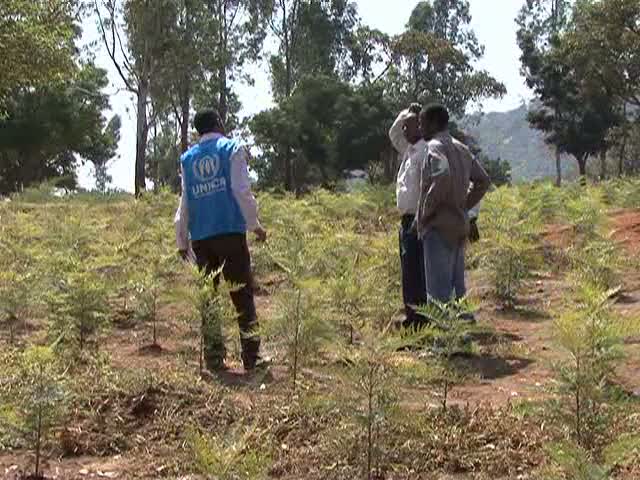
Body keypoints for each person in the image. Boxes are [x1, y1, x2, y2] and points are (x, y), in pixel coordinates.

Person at [174, 109, 268, 372]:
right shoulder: (232, 148)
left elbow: (185, 201)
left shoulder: (188, 159)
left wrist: (181, 241)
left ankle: (214, 359)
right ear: (218, 123)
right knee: (241, 295)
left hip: (201, 239)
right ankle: (252, 357)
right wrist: (255, 226)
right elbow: (241, 190)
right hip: (229, 233)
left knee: (209, 297)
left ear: (198, 131)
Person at [415, 104, 491, 308]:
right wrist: (463, 206)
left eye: (422, 123)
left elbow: (442, 176)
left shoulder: (433, 148)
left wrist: (425, 213)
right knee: (458, 288)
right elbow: (483, 180)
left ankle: (443, 339)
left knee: (438, 293)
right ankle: (462, 334)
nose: (420, 128)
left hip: (438, 227)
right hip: (459, 225)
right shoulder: (462, 148)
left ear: (433, 123)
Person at [389, 103, 428, 329]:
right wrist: (405, 111)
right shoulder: (409, 151)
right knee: (408, 273)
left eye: (410, 125)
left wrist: (418, 219)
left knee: (417, 272)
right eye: (404, 126)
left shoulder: (425, 152)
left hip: (418, 220)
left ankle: (420, 322)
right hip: (406, 221)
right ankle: (411, 318)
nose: (404, 130)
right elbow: (393, 133)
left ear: (421, 127)